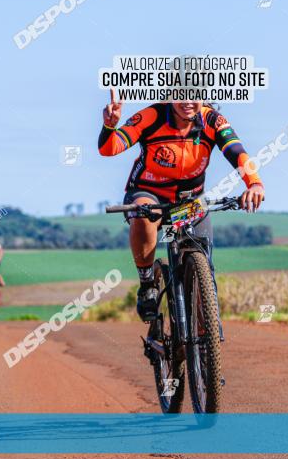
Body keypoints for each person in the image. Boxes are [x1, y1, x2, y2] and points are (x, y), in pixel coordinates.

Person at [98, 92, 265, 321]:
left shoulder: (212, 120)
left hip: (190, 200)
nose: (188, 101)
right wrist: (110, 126)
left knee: (204, 265)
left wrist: (254, 183)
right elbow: (109, 149)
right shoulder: (151, 116)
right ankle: (147, 284)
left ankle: (206, 331)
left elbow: (237, 152)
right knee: (145, 215)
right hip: (149, 192)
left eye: (194, 95)